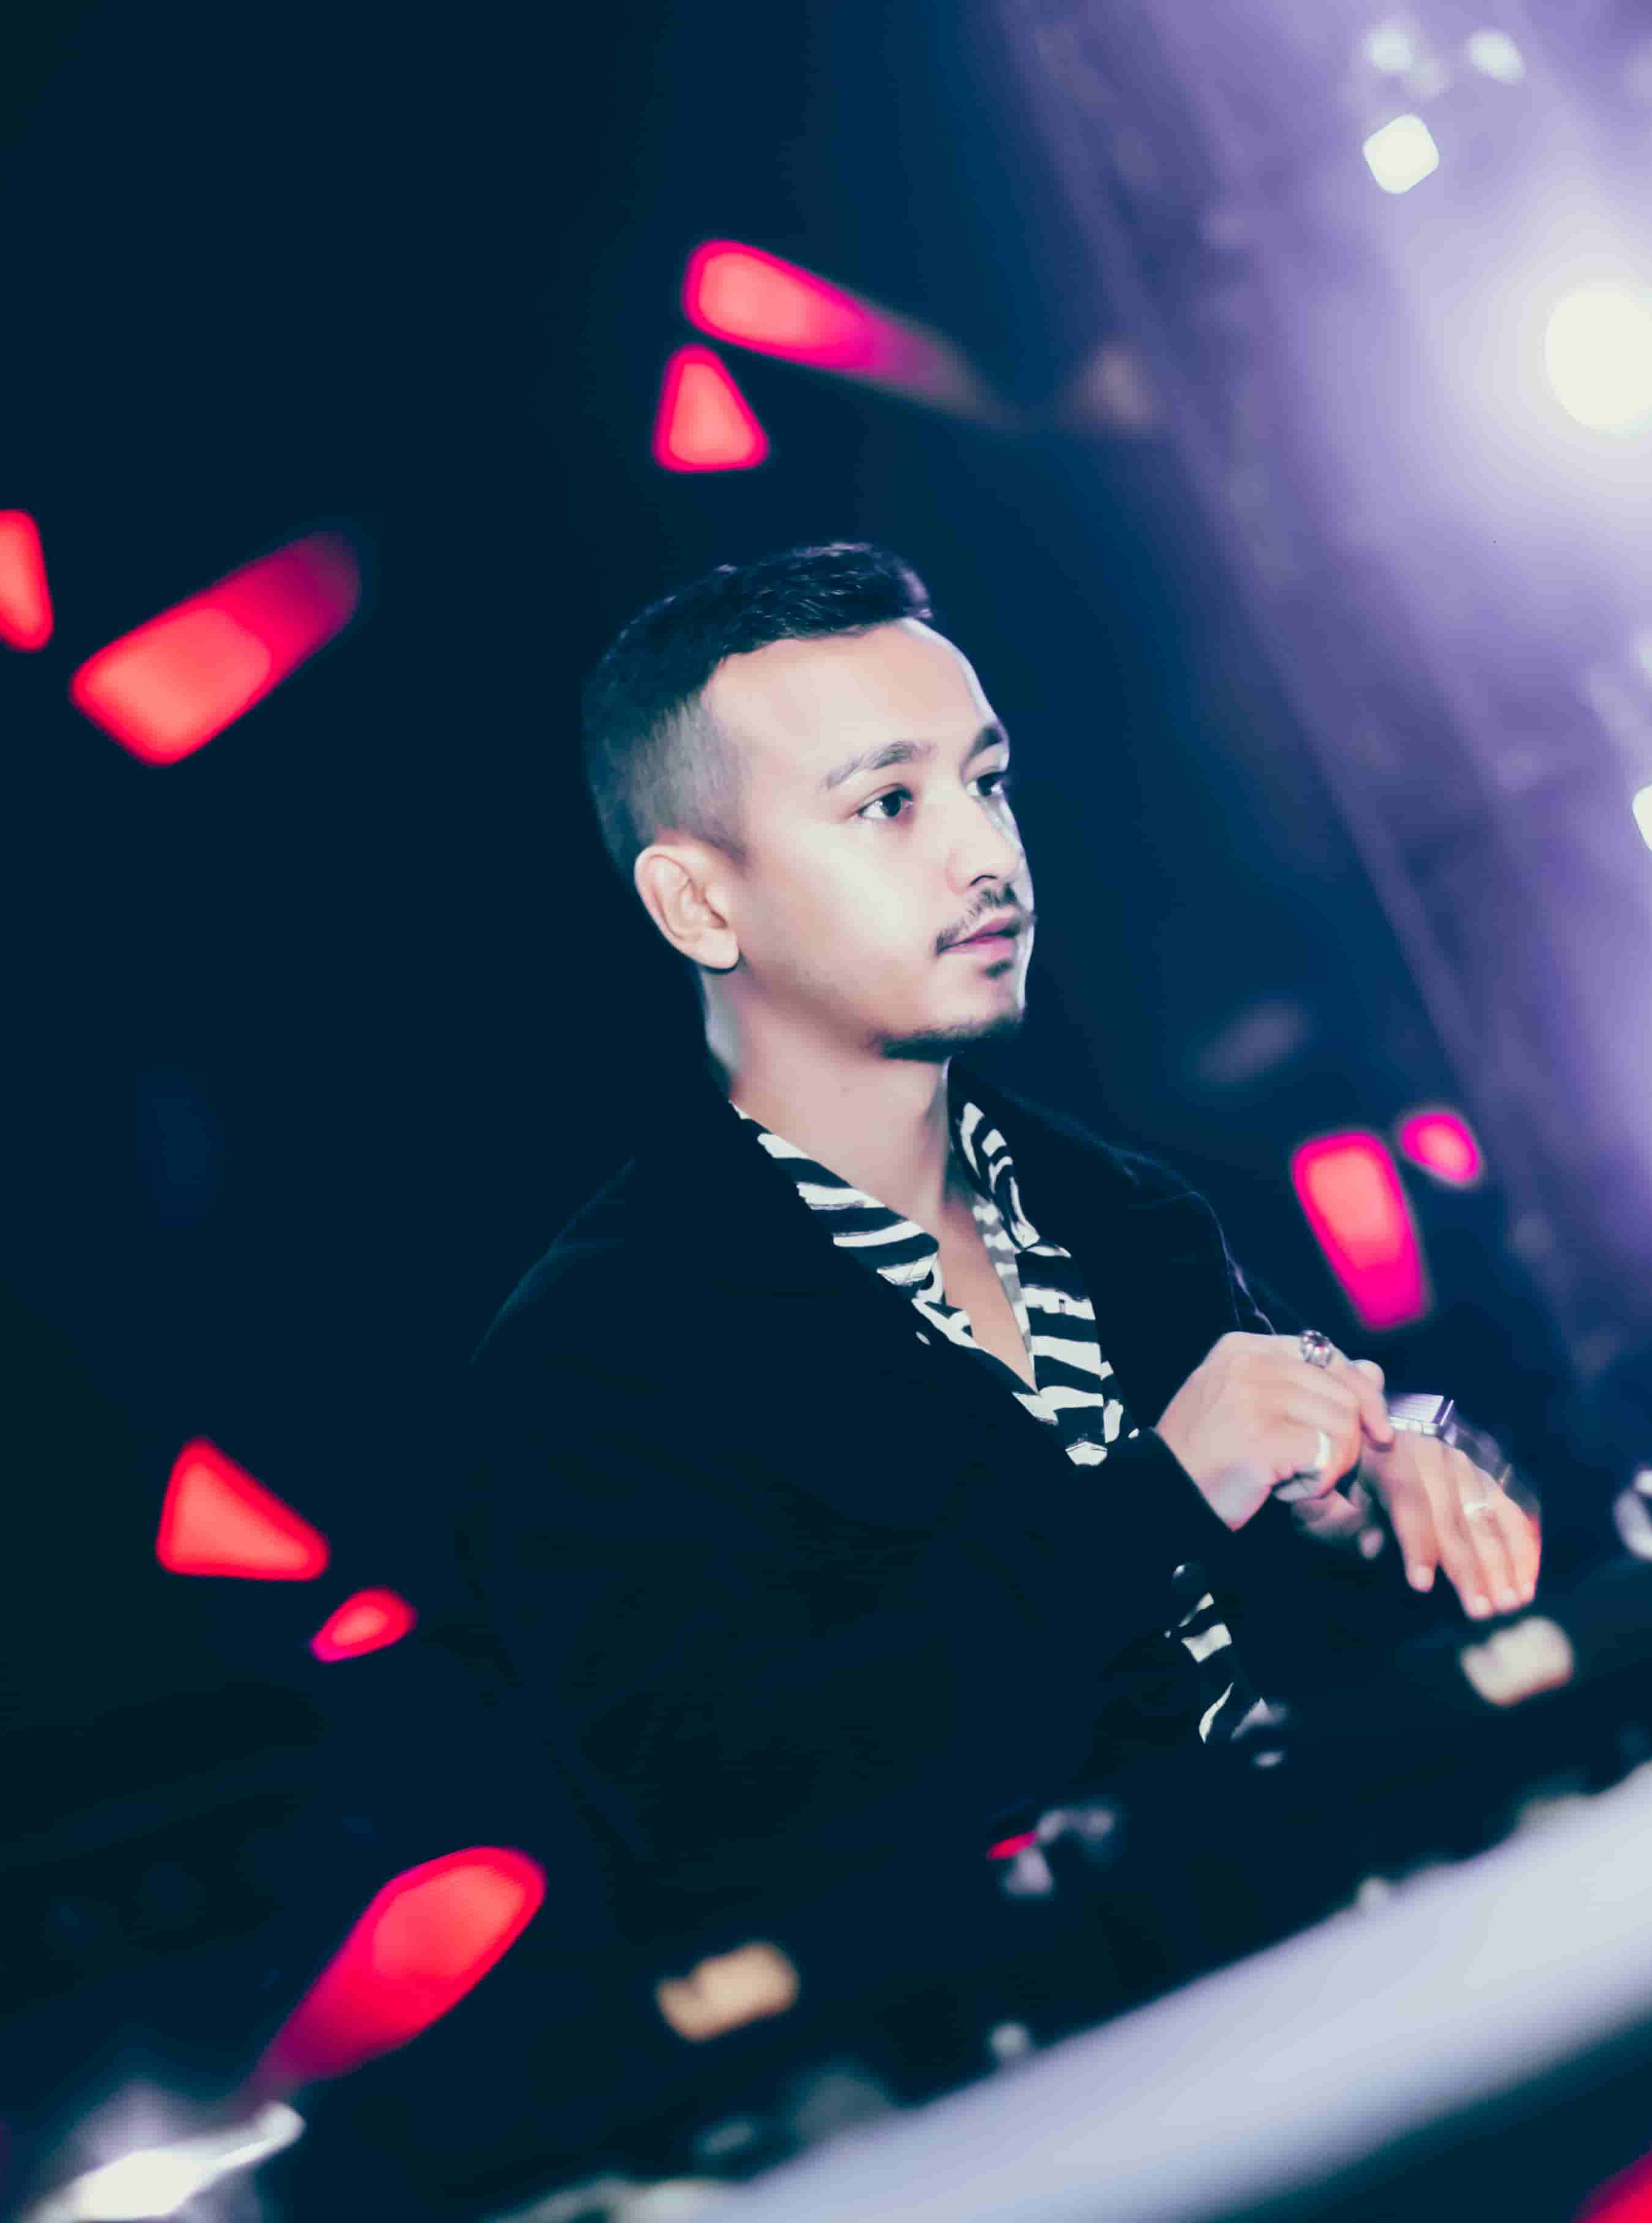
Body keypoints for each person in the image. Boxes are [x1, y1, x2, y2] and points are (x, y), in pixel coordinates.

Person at [453, 541, 1540, 1945]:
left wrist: (1386, 1491)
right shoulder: (598, 1358)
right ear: (700, 904)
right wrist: (1161, 1497)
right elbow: (736, 1821)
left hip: (1388, 1942)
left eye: (989, 782)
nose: (985, 855)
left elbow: (1346, 1575)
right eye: (888, 803)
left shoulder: (1122, 1213)